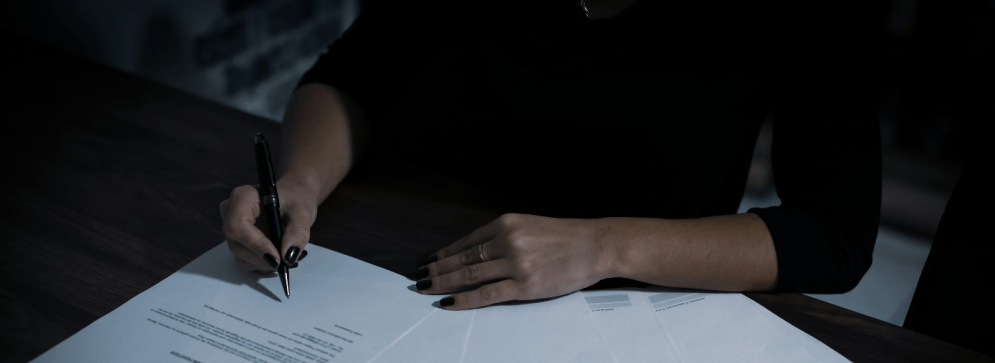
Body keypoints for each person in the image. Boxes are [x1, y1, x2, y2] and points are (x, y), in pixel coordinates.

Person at [221, 0, 881, 310]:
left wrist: (605, 247)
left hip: (633, 305)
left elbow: (835, 233)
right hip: (400, 264)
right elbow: (354, 76)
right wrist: (301, 181)